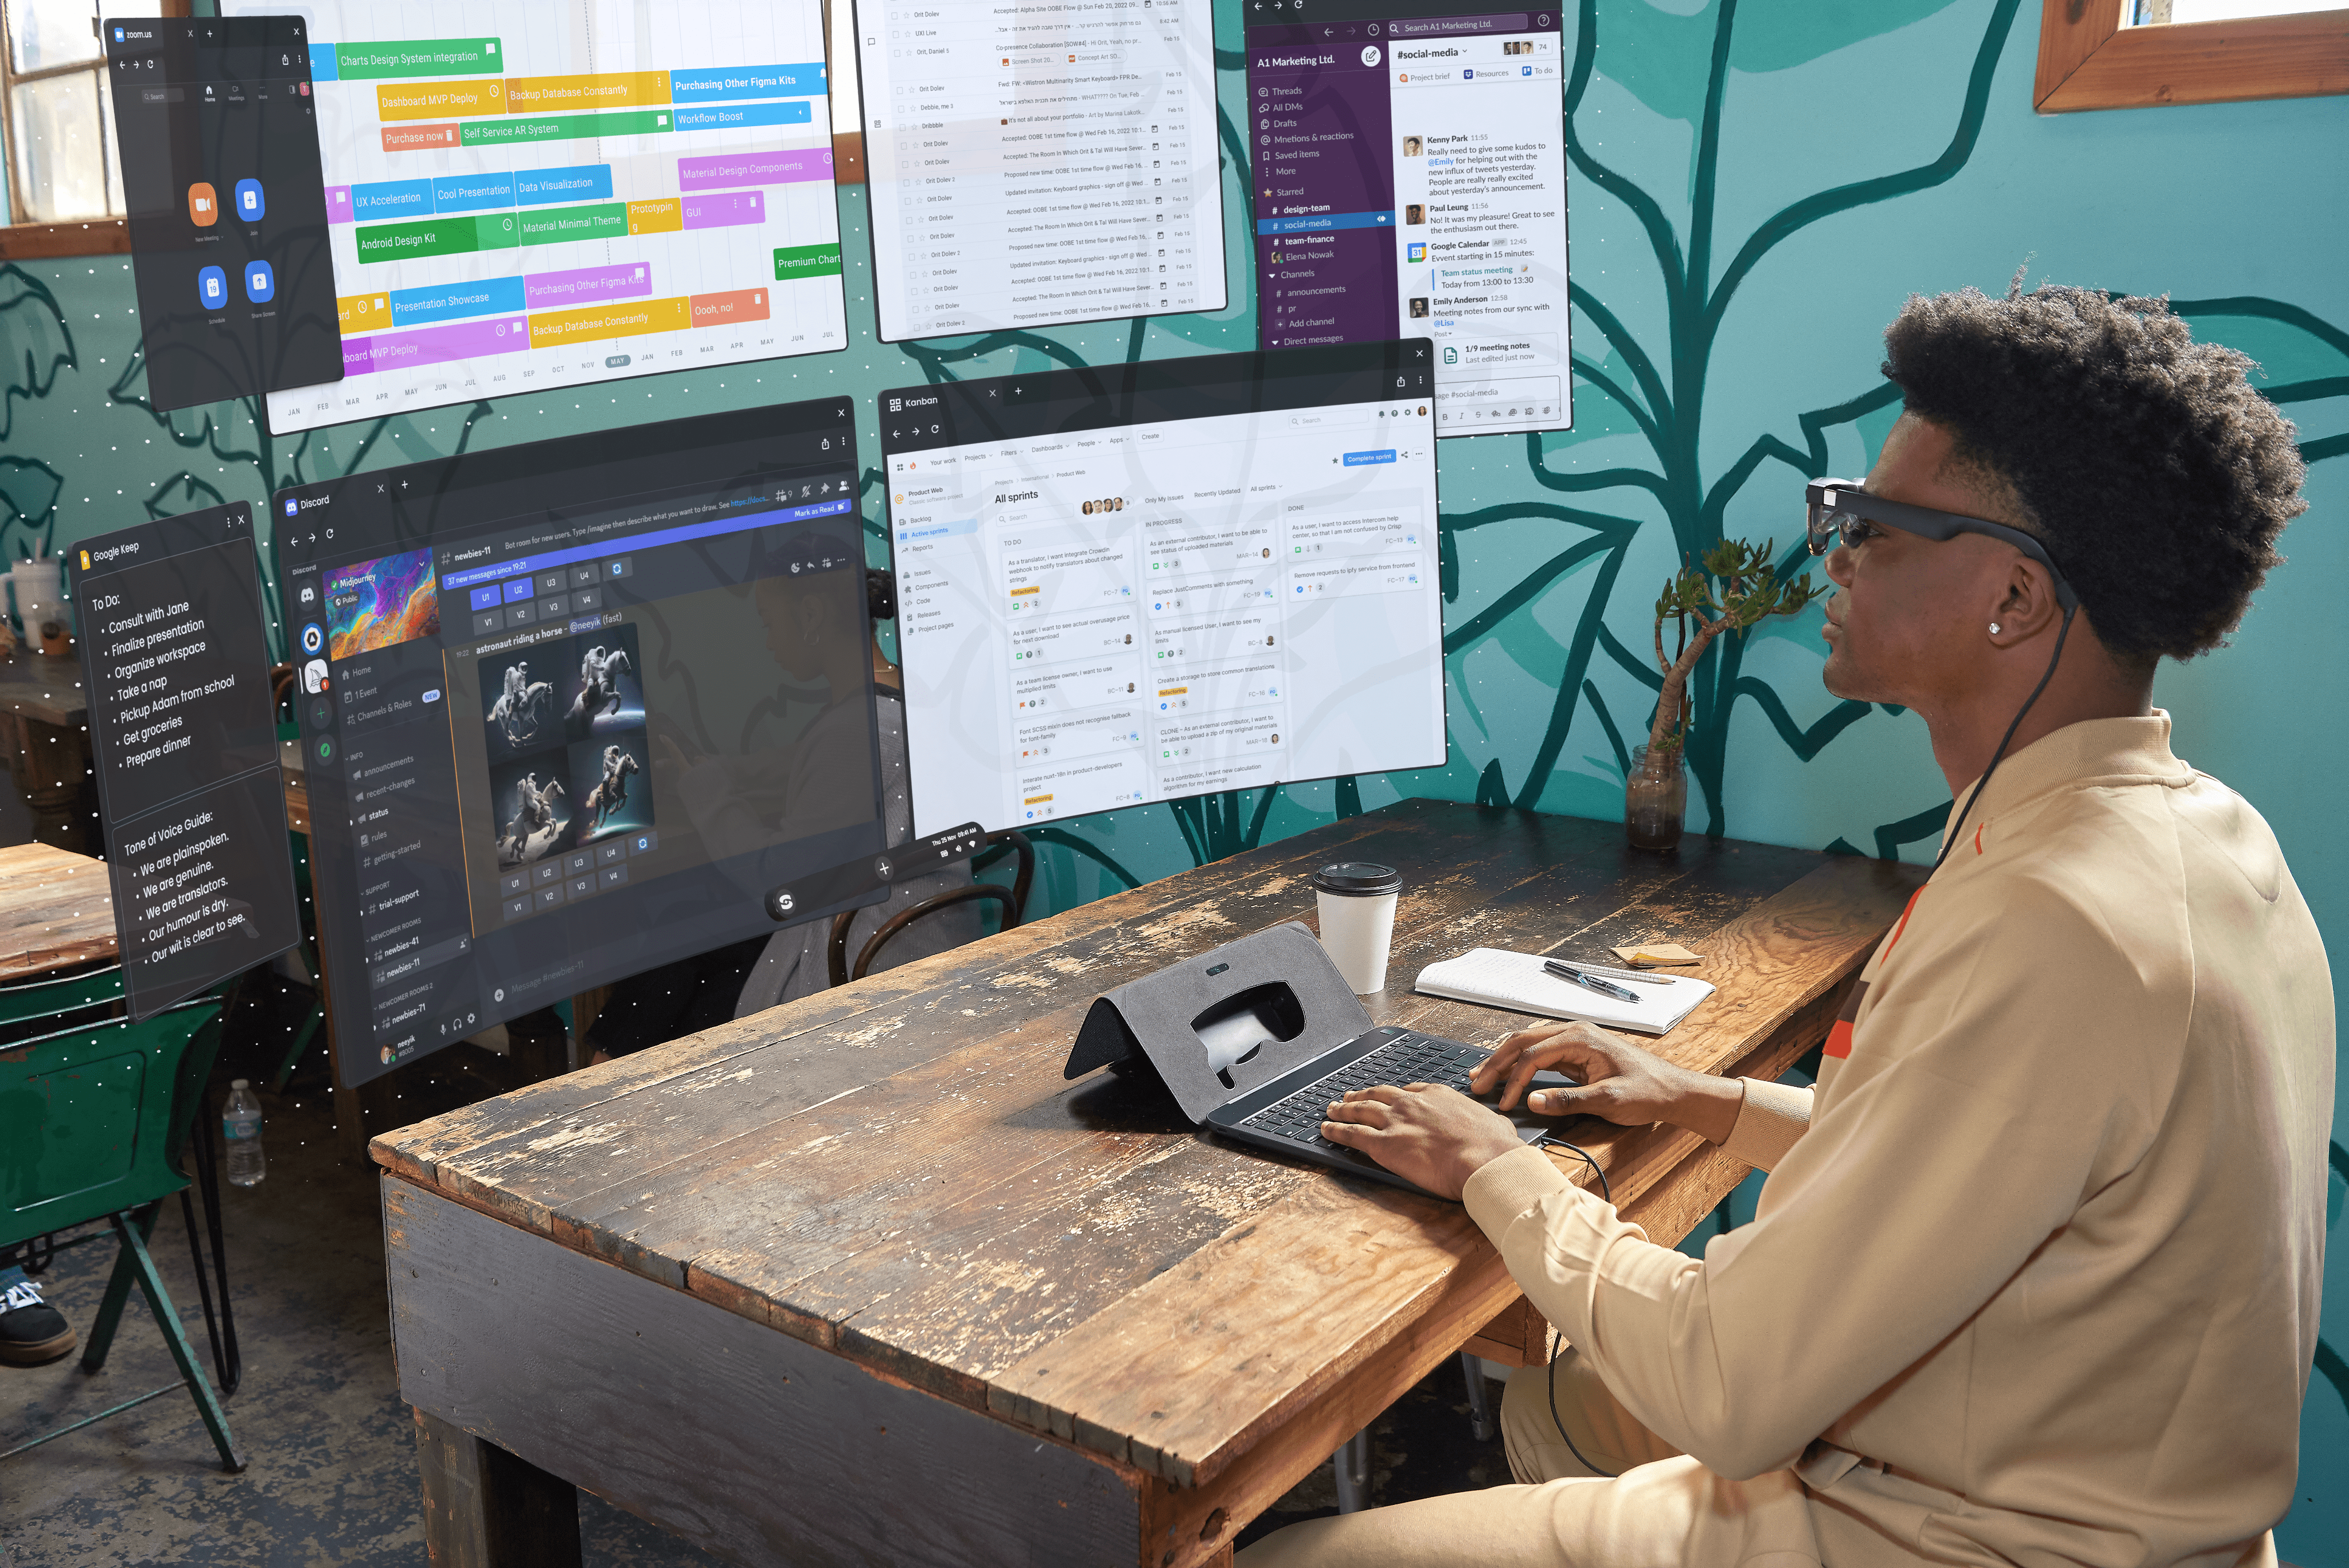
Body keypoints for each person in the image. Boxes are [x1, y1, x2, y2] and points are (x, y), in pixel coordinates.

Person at [1240, 284, 2330, 1567]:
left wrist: (1494, 1163)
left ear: (2014, 595)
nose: (1836, 556)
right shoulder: (2199, 836)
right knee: (1557, 1406)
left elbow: (1729, 1386)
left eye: (1871, 524)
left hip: (1951, 1538)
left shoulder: (2056, 924)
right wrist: (1699, 1097)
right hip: (2058, 1475)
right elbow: (1972, 1157)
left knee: (1287, 1558)